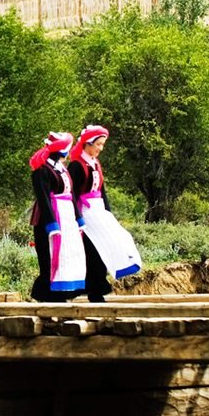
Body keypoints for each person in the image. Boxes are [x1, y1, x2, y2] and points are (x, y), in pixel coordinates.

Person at [67, 125, 142, 302]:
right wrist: (78, 218)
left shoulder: (95, 163)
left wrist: (108, 213)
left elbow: (102, 190)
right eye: (98, 144)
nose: (100, 148)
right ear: (88, 143)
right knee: (93, 250)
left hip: (98, 210)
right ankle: (94, 290)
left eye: (102, 145)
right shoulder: (77, 165)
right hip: (85, 212)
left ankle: (101, 285)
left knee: (114, 241)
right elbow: (73, 194)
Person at [29, 131, 87, 302]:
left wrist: (78, 218)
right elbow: (44, 198)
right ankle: (47, 292)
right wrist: (52, 224)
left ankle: (63, 291)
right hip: (51, 216)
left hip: (67, 215)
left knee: (66, 254)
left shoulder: (61, 168)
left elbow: (71, 195)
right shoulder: (42, 171)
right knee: (50, 254)